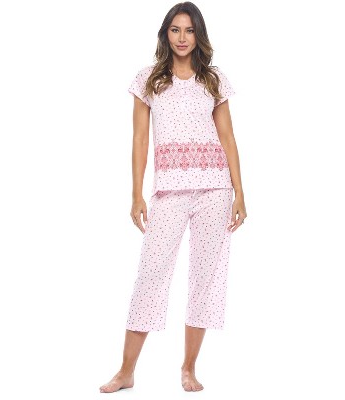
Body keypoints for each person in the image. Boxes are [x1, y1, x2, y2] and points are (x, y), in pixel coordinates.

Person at [99, 1, 247, 393]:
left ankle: (188, 368)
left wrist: (239, 192)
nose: (183, 38)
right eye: (175, 30)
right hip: (168, 191)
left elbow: (228, 136)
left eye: (190, 30)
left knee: (205, 279)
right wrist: (136, 194)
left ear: (199, 35)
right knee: (151, 275)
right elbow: (139, 139)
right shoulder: (149, 79)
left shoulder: (213, 79)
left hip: (215, 189)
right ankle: (126, 370)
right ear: (166, 33)